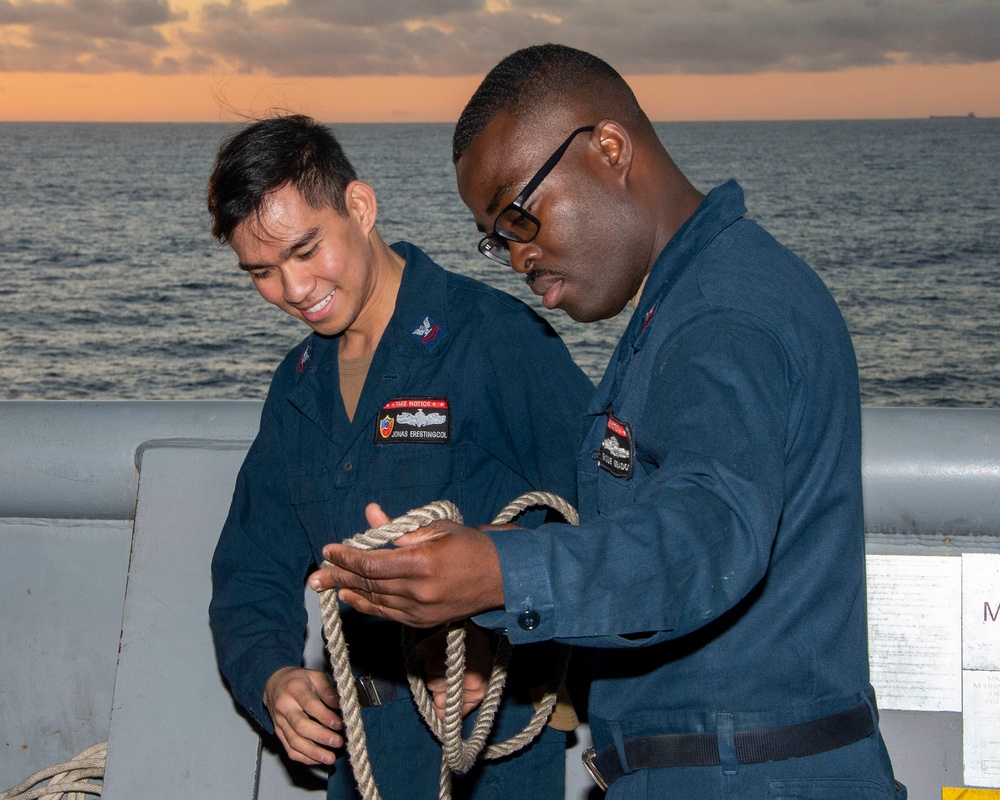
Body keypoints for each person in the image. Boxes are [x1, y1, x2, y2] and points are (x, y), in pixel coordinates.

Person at [316, 45, 905, 799]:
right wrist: (492, 578)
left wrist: (500, 573)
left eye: (519, 216)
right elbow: (654, 533)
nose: (517, 256)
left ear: (609, 149)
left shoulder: (724, 315)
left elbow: (706, 535)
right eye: (497, 238)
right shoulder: (683, 302)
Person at [206, 113, 593, 799]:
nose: (293, 291)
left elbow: (601, 520)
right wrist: (273, 678)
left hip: (485, 754)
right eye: (261, 272)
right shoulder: (298, 387)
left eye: (304, 251)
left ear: (359, 206)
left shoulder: (496, 342)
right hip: (360, 761)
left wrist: (495, 626)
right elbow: (251, 569)